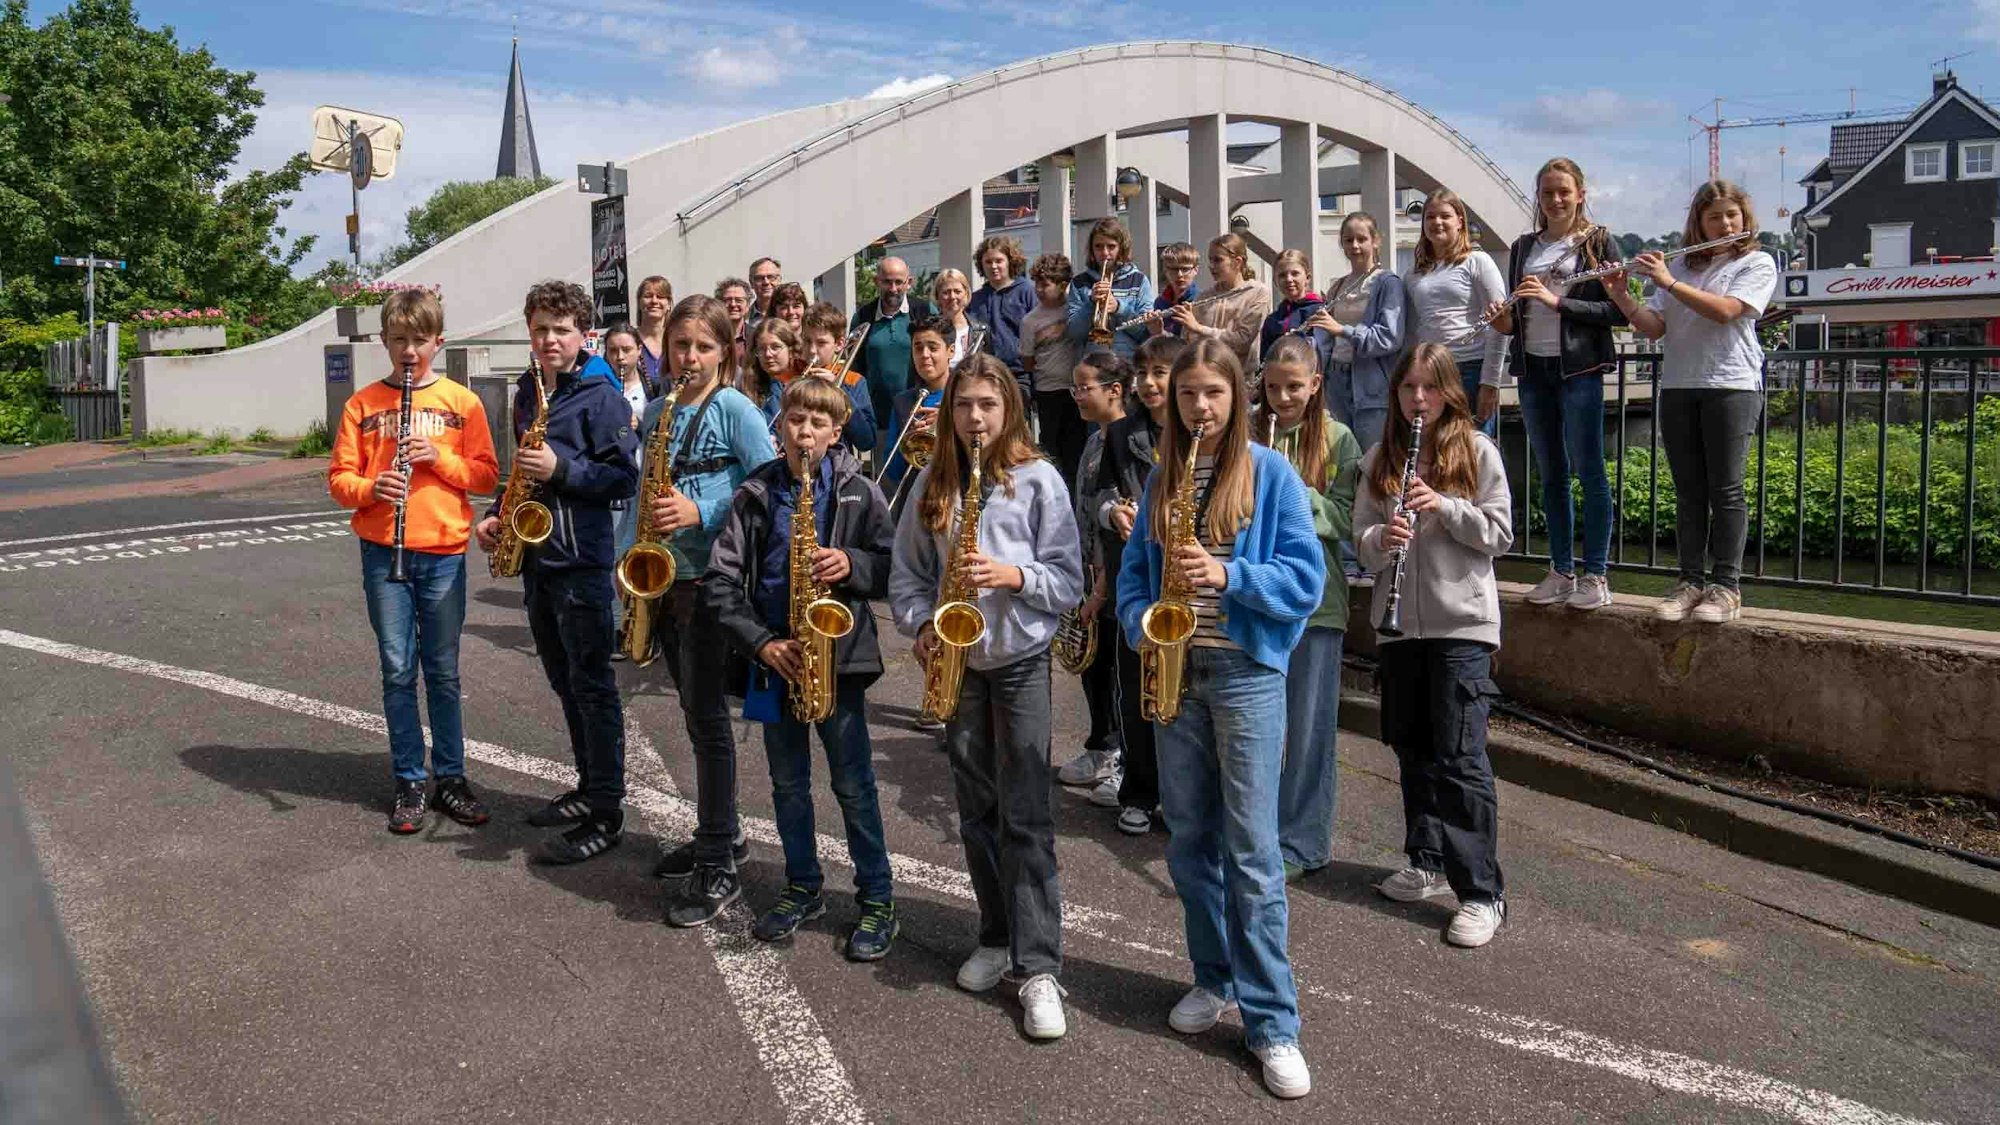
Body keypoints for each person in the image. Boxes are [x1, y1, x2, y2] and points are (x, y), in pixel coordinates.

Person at [1113, 338, 1324, 1100]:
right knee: (1191, 842)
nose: (1200, 406)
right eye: (1188, 394)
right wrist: (1142, 625)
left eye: (1214, 393)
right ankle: (1213, 977)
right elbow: (1134, 576)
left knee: (1255, 852)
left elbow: (1307, 577)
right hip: (1177, 673)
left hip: (1244, 674)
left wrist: (1228, 571)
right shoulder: (1162, 473)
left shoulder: (1270, 473)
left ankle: (1274, 1022)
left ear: (1238, 399)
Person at [889, 354, 1084, 1041]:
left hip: (1022, 659)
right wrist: (918, 626)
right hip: (957, 661)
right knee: (977, 808)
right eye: (965, 404)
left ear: (1010, 411)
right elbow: (907, 573)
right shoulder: (932, 479)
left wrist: (1011, 574)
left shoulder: (1039, 480)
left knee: (1026, 811)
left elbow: (1068, 580)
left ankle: (1039, 968)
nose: (976, 417)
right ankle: (997, 934)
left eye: (988, 405)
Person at [702, 377, 900, 960]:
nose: (805, 432)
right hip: (777, 659)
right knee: (788, 784)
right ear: (779, 425)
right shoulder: (755, 492)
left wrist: (854, 563)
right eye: (795, 421)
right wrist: (761, 644)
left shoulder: (862, 490)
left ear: (836, 432)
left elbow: (893, 567)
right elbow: (719, 582)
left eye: (818, 424)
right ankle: (802, 884)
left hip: (837, 662)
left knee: (854, 784)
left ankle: (878, 896)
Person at [1353, 343, 1515, 950]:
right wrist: (1380, 534)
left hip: (1460, 625)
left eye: (1429, 387)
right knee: (1411, 745)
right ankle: (1425, 860)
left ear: (1449, 391)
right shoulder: (1381, 456)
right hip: (1399, 627)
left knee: (1459, 755)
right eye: (1408, 388)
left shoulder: (1477, 452)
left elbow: (1499, 534)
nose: (1418, 399)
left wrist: (1444, 507)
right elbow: (1360, 539)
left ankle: (1481, 892)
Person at [473, 280, 639, 863]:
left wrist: (563, 468)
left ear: (583, 335)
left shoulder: (602, 395)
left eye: (561, 330)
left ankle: (608, 811)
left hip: (582, 563)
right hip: (539, 560)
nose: (549, 339)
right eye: (541, 328)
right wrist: (498, 515)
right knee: (564, 682)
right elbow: (522, 470)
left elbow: (624, 480)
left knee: (593, 687)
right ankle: (588, 786)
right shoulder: (528, 389)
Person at [329, 286, 500, 834]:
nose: (409, 350)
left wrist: (441, 457)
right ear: (384, 341)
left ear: (438, 342)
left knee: (443, 672)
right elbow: (339, 480)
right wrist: (373, 488)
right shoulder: (363, 404)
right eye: (399, 340)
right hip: (385, 552)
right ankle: (408, 778)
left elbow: (487, 476)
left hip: (443, 552)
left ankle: (451, 776)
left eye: (419, 341)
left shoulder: (461, 402)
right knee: (398, 669)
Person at [643, 295, 779, 924]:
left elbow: (770, 484)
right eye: (680, 346)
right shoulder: (657, 412)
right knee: (694, 716)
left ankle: (720, 856)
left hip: (709, 581)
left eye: (702, 347)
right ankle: (720, 833)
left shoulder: (735, 409)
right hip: (666, 578)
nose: (689, 358)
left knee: (707, 720)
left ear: (726, 351)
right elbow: (642, 497)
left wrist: (702, 508)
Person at [1609, 179, 1777, 625]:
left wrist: (1666, 280)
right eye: (1714, 216)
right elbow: (1654, 327)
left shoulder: (1758, 262)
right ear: (1699, 224)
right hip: (1681, 385)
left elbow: (1725, 311)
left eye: (1731, 215)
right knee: (1689, 493)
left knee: (1726, 490)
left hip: (1732, 384)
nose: (1725, 223)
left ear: (1743, 219)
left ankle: (1727, 586)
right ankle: (1690, 581)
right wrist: (1621, 294)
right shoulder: (1681, 265)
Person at [1487, 158, 1626, 611]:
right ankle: (1561, 569)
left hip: (1578, 371)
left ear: (1580, 193)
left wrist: (1556, 300)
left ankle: (1597, 574)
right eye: (1547, 193)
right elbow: (1515, 325)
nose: (1555, 200)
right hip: (1535, 372)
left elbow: (1618, 314)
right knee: (1551, 476)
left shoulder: (1598, 242)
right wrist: (1504, 319)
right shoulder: (1523, 246)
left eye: (1564, 191)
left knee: (1590, 471)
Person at [1253, 336, 1362, 880]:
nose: (1281, 397)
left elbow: (1348, 521)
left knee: (1308, 729)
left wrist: (1291, 489)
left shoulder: (1339, 439)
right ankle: (1255, 834)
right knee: (1255, 727)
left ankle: (1302, 843)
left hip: (1317, 604)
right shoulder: (1248, 432)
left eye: (1294, 387)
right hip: (1253, 597)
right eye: (1272, 387)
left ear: (1315, 383)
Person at [1086, 333, 1186, 828]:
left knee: (1183, 693)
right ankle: (1139, 792)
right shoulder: (1122, 432)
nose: (1148, 384)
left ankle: (1181, 794)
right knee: (1135, 686)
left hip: (1186, 578)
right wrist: (1112, 513)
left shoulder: (1198, 431)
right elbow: (1100, 490)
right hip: (1137, 574)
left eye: (1159, 374)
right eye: (1142, 375)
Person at [1052, 348, 1128, 805]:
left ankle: (1120, 755)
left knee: (1117, 671)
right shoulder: (1096, 438)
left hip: (1115, 577)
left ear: (1115, 390)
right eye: (1074, 387)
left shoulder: (1125, 437)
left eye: (1085, 387)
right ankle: (1100, 746)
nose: (1077, 395)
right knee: (1093, 667)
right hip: (1089, 570)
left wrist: (1101, 586)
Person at [1405, 189, 1508, 436]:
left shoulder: (1477, 261)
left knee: (1474, 450)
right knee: (1435, 450)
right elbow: (1412, 329)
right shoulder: (1413, 274)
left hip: (1470, 369)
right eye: (1430, 217)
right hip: (1431, 371)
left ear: (1459, 221)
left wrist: (1490, 382)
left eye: (1445, 216)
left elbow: (1500, 324)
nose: (1437, 222)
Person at [1305, 213, 1405, 453]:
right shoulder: (1338, 286)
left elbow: (1390, 338)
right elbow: (1325, 343)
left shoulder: (1387, 283)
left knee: (1372, 458)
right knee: (1340, 462)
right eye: (1349, 240)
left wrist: (1343, 330)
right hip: (1336, 381)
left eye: (1362, 239)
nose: (1355, 246)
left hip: (1371, 385)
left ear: (1375, 241)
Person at [850, 256, 937, 439]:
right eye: (887, 282)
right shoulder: (863, 316)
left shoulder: (925, 311)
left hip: (921, 414)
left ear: (909, 283)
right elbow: (855, 368)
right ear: (876, 282)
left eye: (899, 282)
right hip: (880, 418)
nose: (893, 289)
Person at [1160, 233, 1269, 374]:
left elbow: (1242, 341)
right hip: (1206, 375)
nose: (1211, 266)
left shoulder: (1256, 292)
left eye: (1218, 260)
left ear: (1238, 262)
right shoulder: (1204, 297)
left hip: (1239, 377)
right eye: (1210, 260)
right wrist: (1160, 333)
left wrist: (1198, 328)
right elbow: (1186, 345)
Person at [1020, 253, 1086, 478]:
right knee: (1052, 451)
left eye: (1045, 284)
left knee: (1076, 450)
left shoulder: (1075, 311)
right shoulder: (1030, 321)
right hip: (1048, 391)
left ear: (1063, 285)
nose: (1039, 289)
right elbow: (1027, 360)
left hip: (1076, 390)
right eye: (1036, 283)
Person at [880, 314, 954, 500]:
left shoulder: (966, 398)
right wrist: (909, 440)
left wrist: (950, 424)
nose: (924, 355)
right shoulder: (903, 402)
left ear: (951, 351)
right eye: (918, 348)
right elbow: (893, 471)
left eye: (933, 348)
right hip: (915, 499)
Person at [1066, 216, 1156, 362]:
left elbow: (1144, 333)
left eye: (1111, 246)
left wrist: (1119, 308)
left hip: (1129, 364)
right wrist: (1091, 303)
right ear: (1091, 249)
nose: (1105, 253)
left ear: (1121, 248)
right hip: (1093, 365)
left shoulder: (1138, 281)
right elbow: (1074, 334)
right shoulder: (1079, 283)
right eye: (1098, 246)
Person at [799, 301, 878, 453]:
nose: (812, 350)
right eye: (807, 341)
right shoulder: (793, 378)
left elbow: (867, 441)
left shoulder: (853, 381)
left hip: (836, 465)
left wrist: (839, 391)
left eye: (821, 343)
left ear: (840, 344)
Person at [967, 234, 1036, 395]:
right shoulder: (975, 299)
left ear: (1010, 261)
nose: (994, 266)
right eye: (988, 262)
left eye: (999, 260)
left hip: (1019, 375)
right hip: (985, 375)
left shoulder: (1027, 292)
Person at [1126, 242, 1199, 350]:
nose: (1179, 275)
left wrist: (1162, 333)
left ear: (1196, 270)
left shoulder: (1200, 300)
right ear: (1165, 270)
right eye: (1174, 269)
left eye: (1185, 269)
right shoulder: (1160, 302)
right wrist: (1154, 332)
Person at [1259, 249, 1322, 360]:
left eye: (1295, 273)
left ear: (1307, 278)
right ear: (1275, 282)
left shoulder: (1319, 312)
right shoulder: (1273, 320)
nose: (1289, 279)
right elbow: (1265, 359)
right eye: (1282, 275)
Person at [930, 267, 992, 368]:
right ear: (937, 296)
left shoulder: (981, 331)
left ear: (966, 294)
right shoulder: (929, 330)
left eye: (957, 291)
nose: (952, 297)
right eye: (946, 292)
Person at [635, 275, 673, 385]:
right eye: (648, 296)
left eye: (660, 296)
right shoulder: (630, 340)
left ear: (669, 304)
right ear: (639, 302)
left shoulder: (676, 340)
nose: (654, 301)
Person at [716, 277, 754, 384]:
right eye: (727, 300)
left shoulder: (757, 336)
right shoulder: (710, 336)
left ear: (747, 306)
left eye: (738, 300)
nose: (733, 305)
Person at [747, 256, 783, 330]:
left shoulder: (791, 314)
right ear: (751, 283)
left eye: (771, 277)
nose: (766, 282)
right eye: (759, 278)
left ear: (779, 280)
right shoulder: (744, 318)